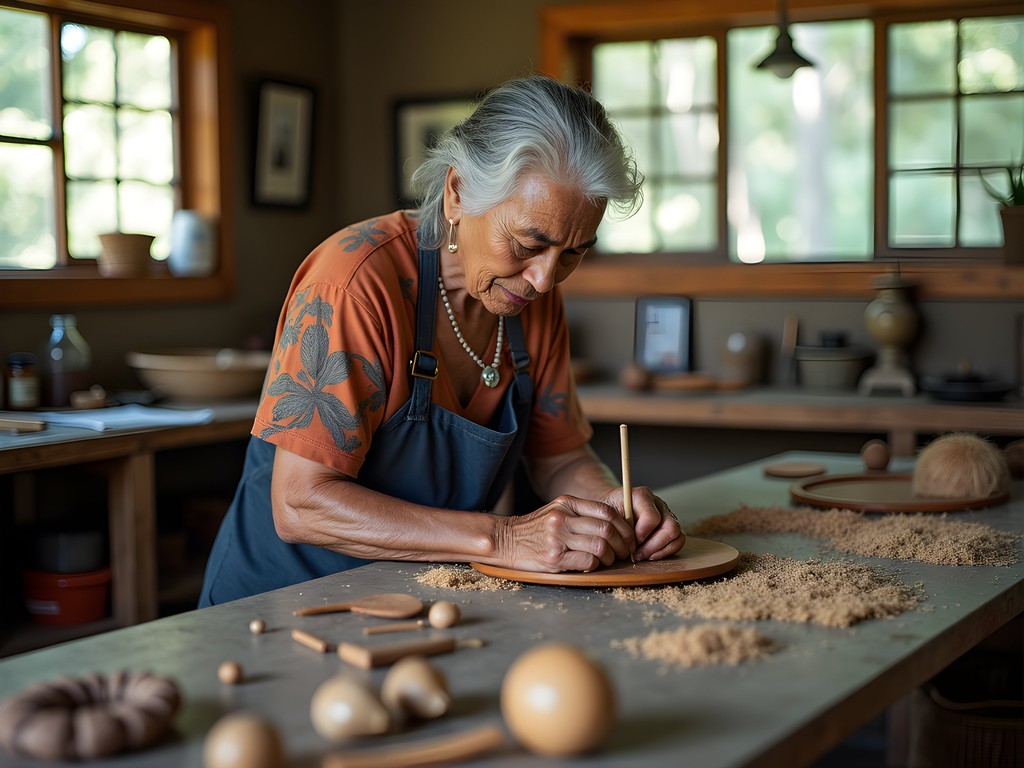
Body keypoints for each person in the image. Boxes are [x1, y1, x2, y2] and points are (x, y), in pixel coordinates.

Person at [199, 75, 685, 606]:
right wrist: (503, 538)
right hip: (279, 604)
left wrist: (612, 511)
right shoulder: (353, 283)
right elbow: (300, 503)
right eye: (528, 243)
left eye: (573, 253)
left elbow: (558, 456)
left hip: (418, 598)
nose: (546, 279)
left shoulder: (529, 296)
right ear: (457, 193)